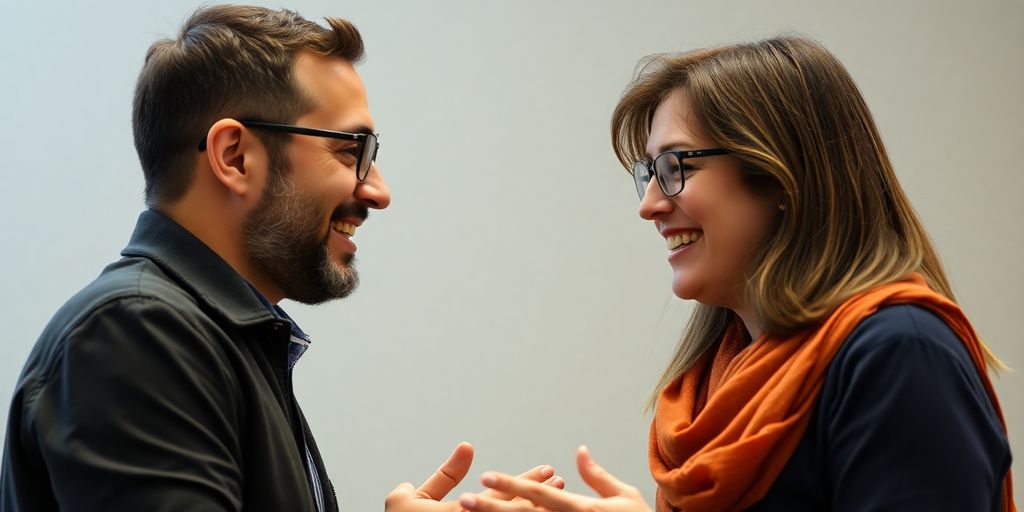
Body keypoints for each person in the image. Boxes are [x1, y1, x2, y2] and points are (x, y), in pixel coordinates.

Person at [0, 5, 558, 511]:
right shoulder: (137, 334)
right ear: (234, 156)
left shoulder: (216, 337)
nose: (378, 191)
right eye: (349, 150)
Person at [456, 36, 1016, 512]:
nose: (649, 205)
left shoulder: (901, 353)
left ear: (778, 175)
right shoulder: (712, 383)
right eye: (648, 173)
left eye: (674, 167)